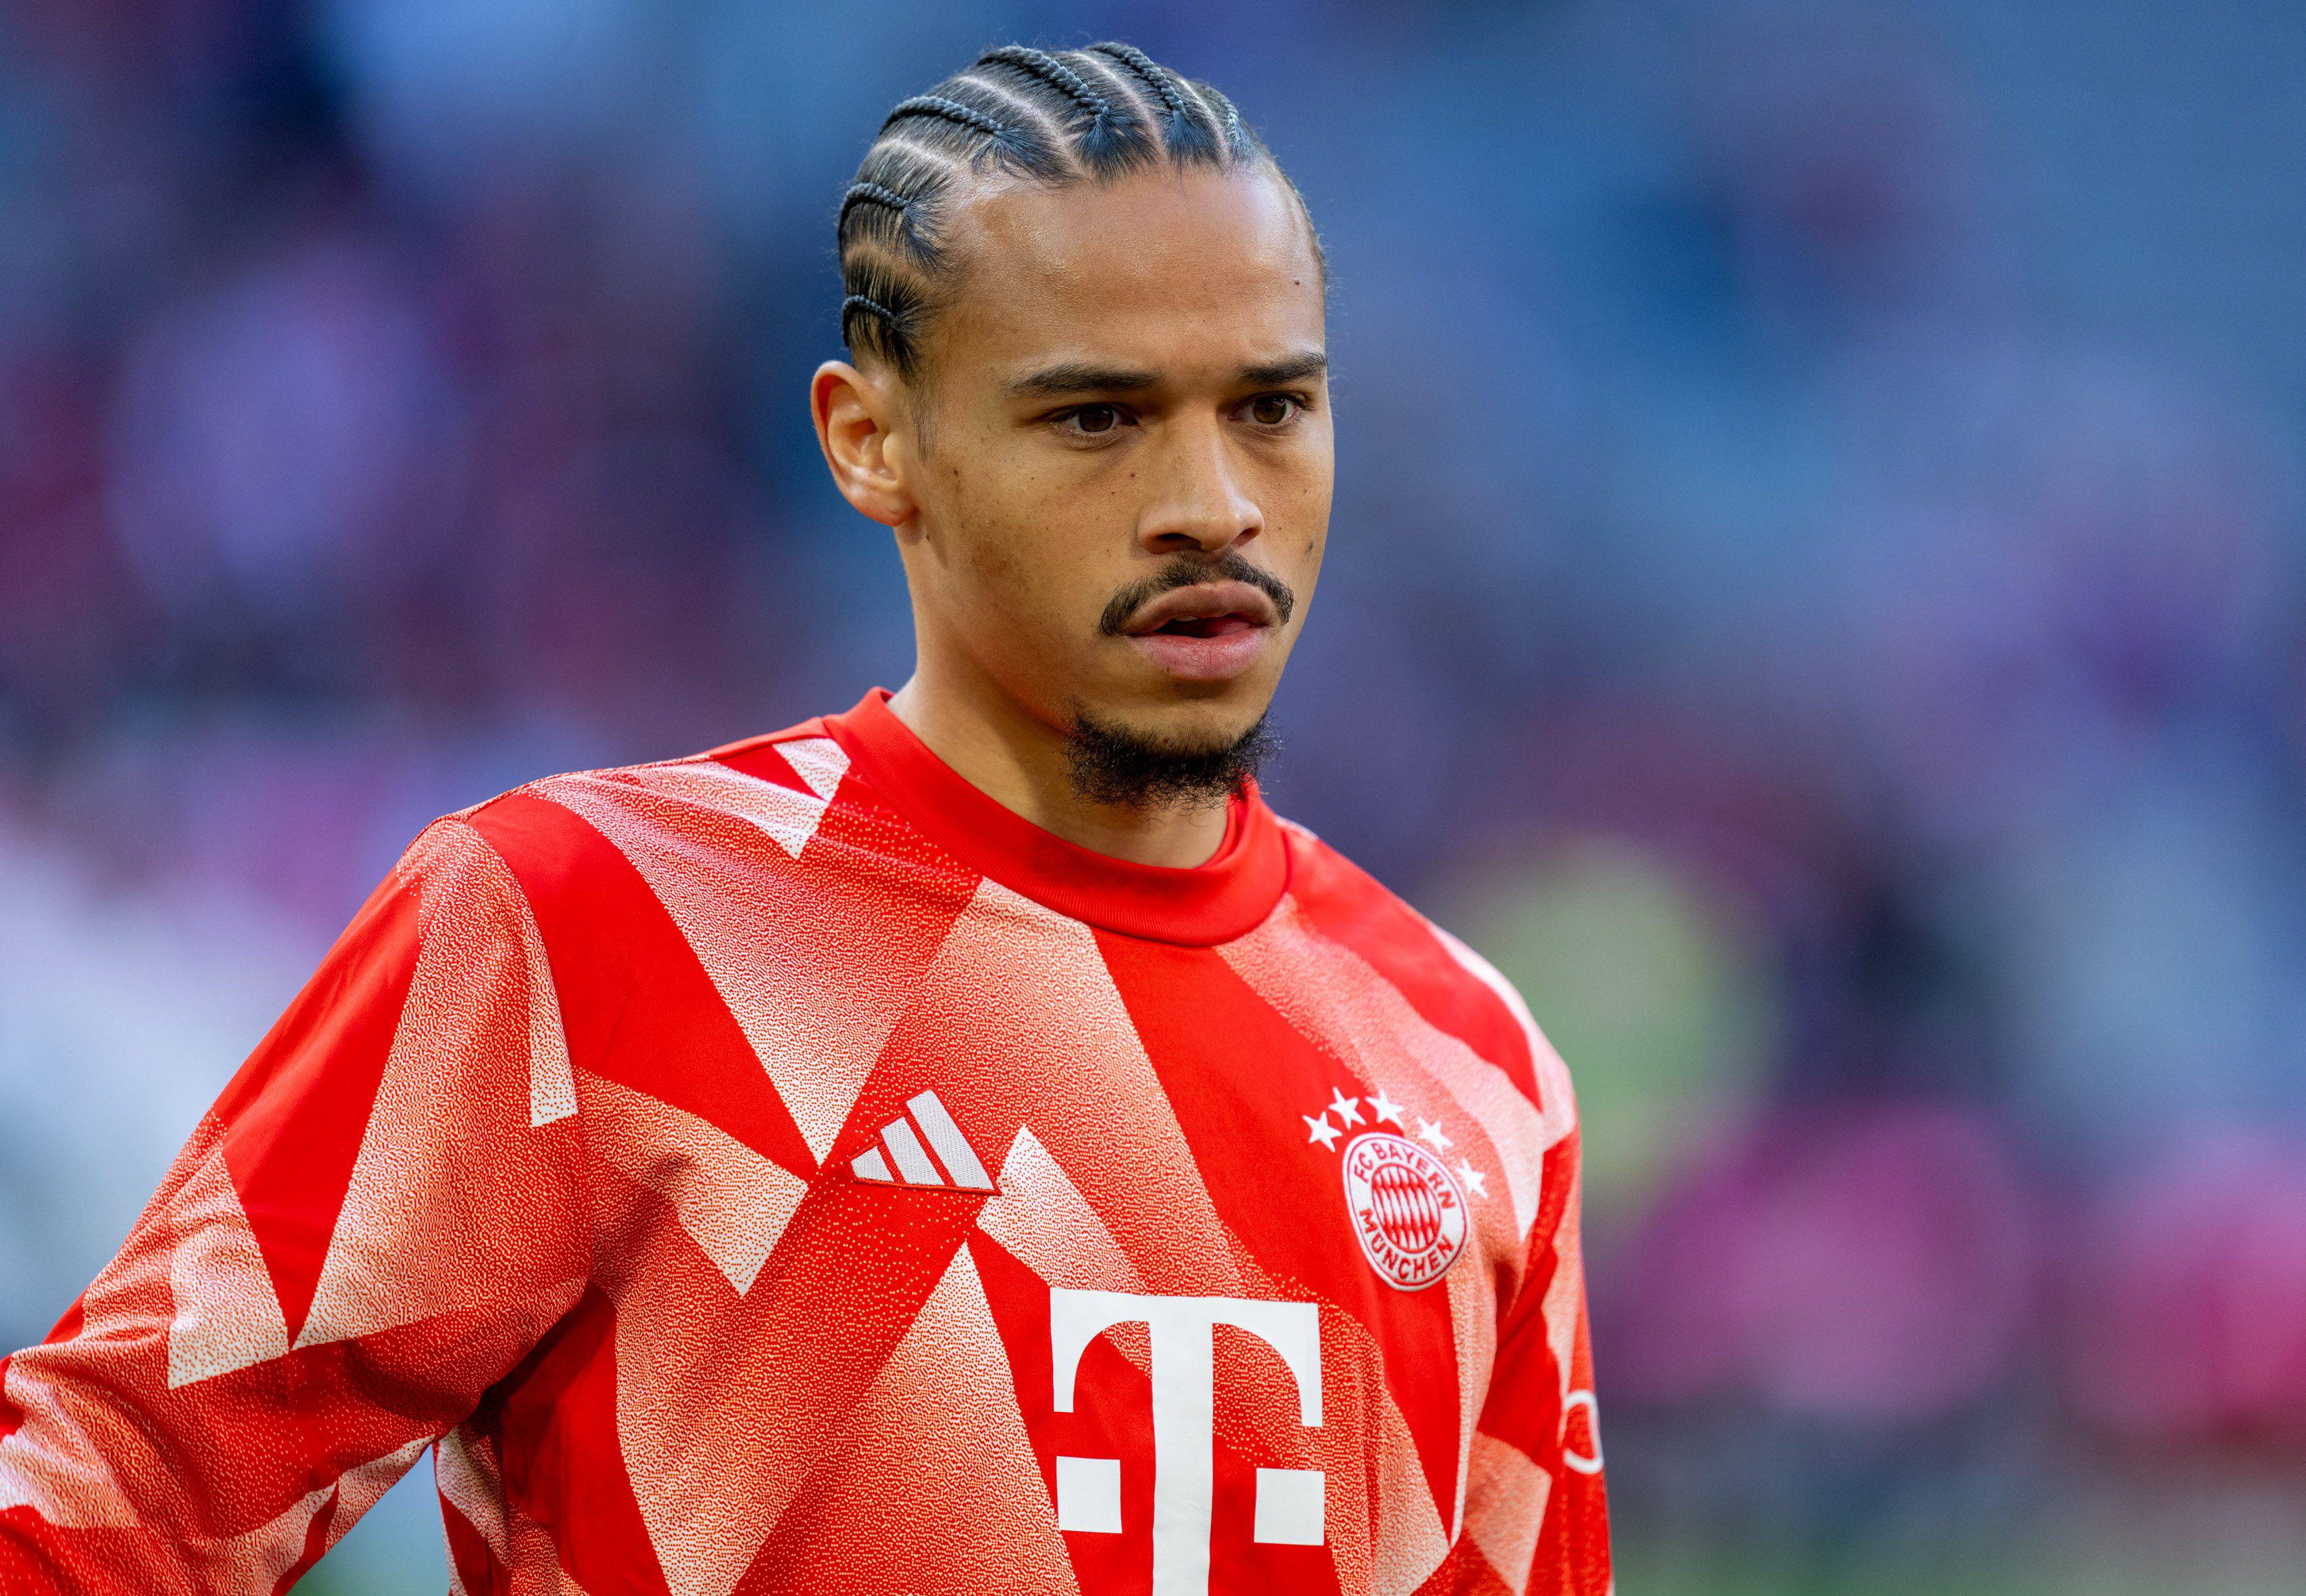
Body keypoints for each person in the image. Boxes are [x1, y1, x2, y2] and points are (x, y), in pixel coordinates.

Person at [0, 41, 1611, 1595]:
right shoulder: (586, 928)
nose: (1213, 499)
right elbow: (109, 1500)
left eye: (1269, 406)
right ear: (872, 442)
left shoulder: (1470, 1069)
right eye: (1095, 417)